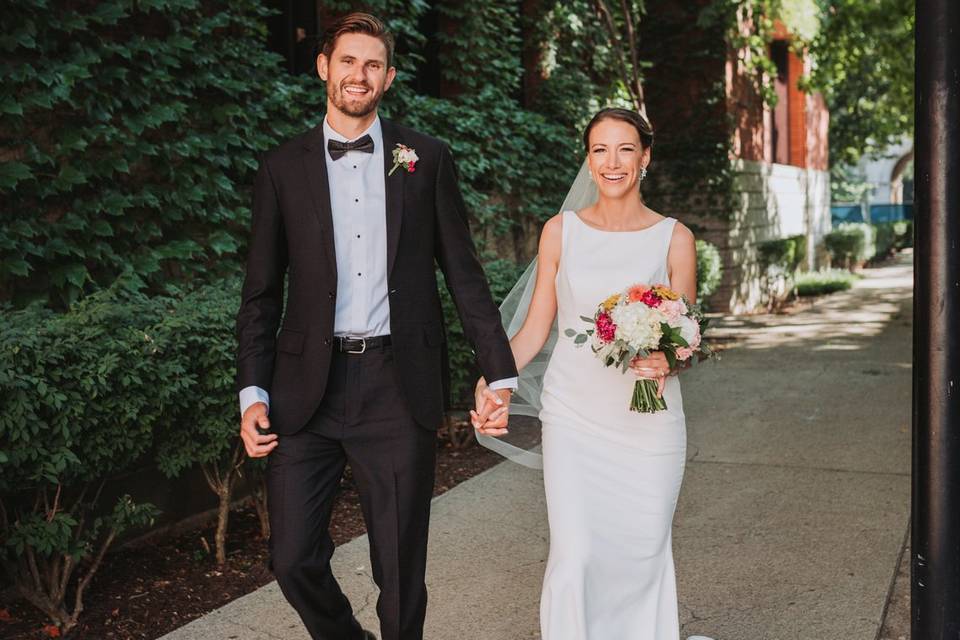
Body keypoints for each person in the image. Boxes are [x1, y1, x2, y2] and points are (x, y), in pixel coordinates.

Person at [235, 13, 517, 640]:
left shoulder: (427, 159)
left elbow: (465, 278)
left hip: (398, 384)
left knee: (399, 566)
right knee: (292, 559)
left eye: (372, 65)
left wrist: (499, 374)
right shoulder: (282, 168)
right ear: (323, 67)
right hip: (305, 389)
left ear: (388, 77)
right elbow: (260, 293)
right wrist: (252, 394)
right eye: (346, 61)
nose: (357, 75)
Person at [472, 108, 697, 639]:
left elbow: (686, 334)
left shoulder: (674, 238)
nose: (612, 162)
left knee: (641, 554)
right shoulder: (561, 231)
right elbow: (533, 330)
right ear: (588, 160)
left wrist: (671, 356)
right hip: (574, 417)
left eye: (624, 149)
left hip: (649, 423)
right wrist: (493, 379)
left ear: (645, 157)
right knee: (575, 556)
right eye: (600, 149)